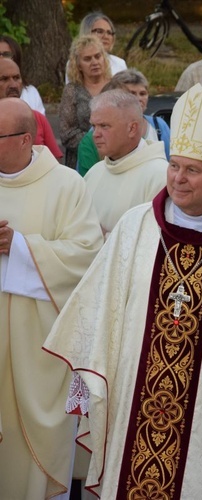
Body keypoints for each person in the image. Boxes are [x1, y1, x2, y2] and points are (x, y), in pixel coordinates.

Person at [43, 84, 202, 498]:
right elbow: (97, 308)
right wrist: (93, 379)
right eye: (174, 166)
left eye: (192, 170)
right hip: (132, 400)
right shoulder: (136, 227)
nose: (178, 178)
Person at [0, 98, 102, 499]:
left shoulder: (65, 185)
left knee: (34, 454)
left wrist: (19, 247)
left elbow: (87, 255)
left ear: (26, 139)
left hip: (40, 350)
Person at [84, 89, 168, 238]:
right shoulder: (94, 172)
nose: (95, 134)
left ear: (132, 129)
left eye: (104, 126)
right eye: (94, 126)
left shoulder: (160, 176)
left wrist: (101, 237)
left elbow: (154, 241)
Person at [78, 69, 171, 176]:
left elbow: (170, 160)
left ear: (133, 128)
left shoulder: (158, 125)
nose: (138, 98)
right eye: (131, 94)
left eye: (142, 93)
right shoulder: (94, 137)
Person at [60, 35, 111, 169]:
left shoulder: (115, 86)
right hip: (80, 160)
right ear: (78, 65)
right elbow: (67, 134)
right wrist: (95, 141)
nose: (94, 62)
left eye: (97, 56)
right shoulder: (72, 91)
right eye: (87, 59)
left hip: (113, 157)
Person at [0, 58, 62, 160]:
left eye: (16, 78)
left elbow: (54, 163)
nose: (13, 85)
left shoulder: (37, 118)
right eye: (4, 79)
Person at [0, 35, 45, 114]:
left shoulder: (31, 93)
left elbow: (40, 124)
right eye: (4, 79)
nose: (1, 58)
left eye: (6, 55)